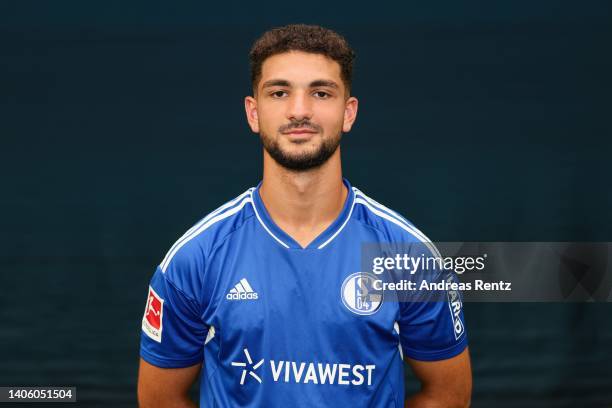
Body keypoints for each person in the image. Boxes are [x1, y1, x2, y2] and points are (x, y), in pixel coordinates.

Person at [138, 24, 471, 408]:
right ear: (253, 112)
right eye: (279, 93)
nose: (299, 111)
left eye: (321, 93)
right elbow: (158, 399)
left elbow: (450, 395)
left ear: (348, 113)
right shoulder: (195, 258)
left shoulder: (408, 255)